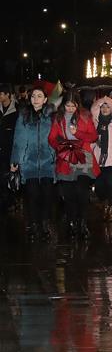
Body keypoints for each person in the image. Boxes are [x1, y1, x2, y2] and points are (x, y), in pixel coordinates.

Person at [48, 91, 99, 239]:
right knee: (69, 194)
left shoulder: (85, 116)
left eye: (73, 105)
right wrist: (61, 147)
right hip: (66, 158)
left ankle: (82, 224)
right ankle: (71, 223)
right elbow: (52, 138)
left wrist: (78, 134)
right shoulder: (58, 118)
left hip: (83, 156)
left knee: (82, 192)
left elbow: (93, 136)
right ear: (63, 105)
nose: (70, 108)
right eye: (67, 105)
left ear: (78, 105)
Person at [10, 86, 55, 239]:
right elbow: (18, 140)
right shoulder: (23, 116)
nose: (36, 98)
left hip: (48, 162)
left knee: (47, 195)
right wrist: (15, 160)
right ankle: (34, 224)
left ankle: (45, 223)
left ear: (45, 99)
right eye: (33, 96)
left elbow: (56, 138)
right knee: (33, 194)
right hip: (29, 162)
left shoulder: (51, 117)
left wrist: (54, 154)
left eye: (39, 96)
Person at [0, 83, 18, 214]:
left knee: (10, 177)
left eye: (1, 93)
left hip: (11, 149)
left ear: (8, 95)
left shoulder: (17, 111)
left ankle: (11, 201)